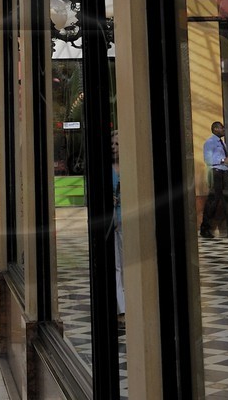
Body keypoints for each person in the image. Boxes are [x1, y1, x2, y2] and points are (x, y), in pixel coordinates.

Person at [200, 120, 228, 238]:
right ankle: (205, 229)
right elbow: (208, 160)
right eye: (222, 128)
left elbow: (227, 163)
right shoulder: (210, 142)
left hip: (225, 173)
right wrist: (222, 160)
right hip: (216, 173)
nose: (223, 130)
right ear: (215, 129)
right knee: (213, 201)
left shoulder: (223, 143)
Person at [111, 129, 124, 331]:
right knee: (117, 266)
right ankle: (121, 310)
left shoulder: (131, 167)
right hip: (113, 222)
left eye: (117, 144)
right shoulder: (107, 169)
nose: (113, 147)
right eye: (112, 144)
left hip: (129, 221)